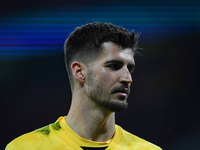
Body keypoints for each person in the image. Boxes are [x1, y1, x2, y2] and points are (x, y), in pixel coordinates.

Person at [6, 22, 162, 150]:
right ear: (79, 72)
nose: (128, 78)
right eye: (114, 66)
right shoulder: (26, 147)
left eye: (129, 68)